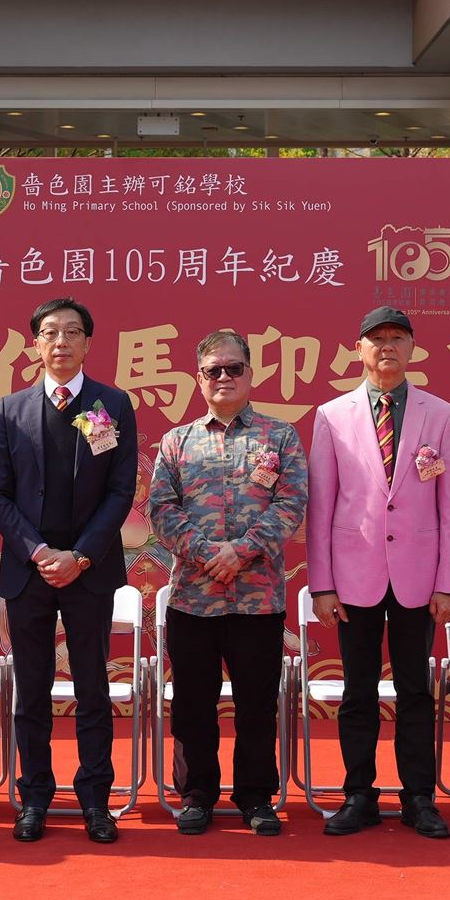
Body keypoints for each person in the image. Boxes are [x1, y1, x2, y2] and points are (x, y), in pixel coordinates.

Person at [307, 306, 450, 838]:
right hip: (354, 577)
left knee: (415, 690)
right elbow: (321, 506)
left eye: (398, 338)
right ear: (359, 349)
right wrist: (322, 584)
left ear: (413, 347)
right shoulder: (332, 416)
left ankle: (419, 796)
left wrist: (449, 584)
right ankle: (359, 795)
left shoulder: (440, 415)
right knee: (358, 691)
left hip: (418, 579)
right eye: (377, 339)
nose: (387, 348)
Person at [0, 297, 139, 844]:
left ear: (88, 343)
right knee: (32, 689)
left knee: (93, 686)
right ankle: (35, 797)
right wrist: (38, 551)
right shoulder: (11, 409)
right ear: (35, 343)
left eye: (73, 332)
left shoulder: (111, 403)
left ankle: (96, 800)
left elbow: (120, 491)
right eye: (50, 332)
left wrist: (81, 555)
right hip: (30, 572)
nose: (61, 342)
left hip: (89, 572)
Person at [146, 329, 307, 836]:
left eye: (233, 368)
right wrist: (206, 554)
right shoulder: (177, 441)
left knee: (257, 705)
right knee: (192, 704)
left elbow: (291, 504)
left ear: (250, 374)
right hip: (193, 599)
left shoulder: (280, 437)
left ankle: (256, 797)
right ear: (199, 378)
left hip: (258, 598)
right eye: (213, 370)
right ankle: (196, 795)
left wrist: (241, 551)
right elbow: (161, 509)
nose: (223, 377)